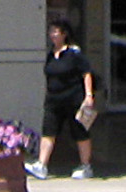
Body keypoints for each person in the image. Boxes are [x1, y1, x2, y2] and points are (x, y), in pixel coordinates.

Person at [27, 20, 95, 181]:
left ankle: (86, 166)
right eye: (51, 32)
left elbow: (86, 73)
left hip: (73, 99)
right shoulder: (51, 55)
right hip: (53, 100)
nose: (52, 35)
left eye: (55, 32)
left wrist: (89, 95)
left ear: (64, 34)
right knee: (49, 131)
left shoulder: (74, 53)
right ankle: (41, 165)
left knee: (80, 132)